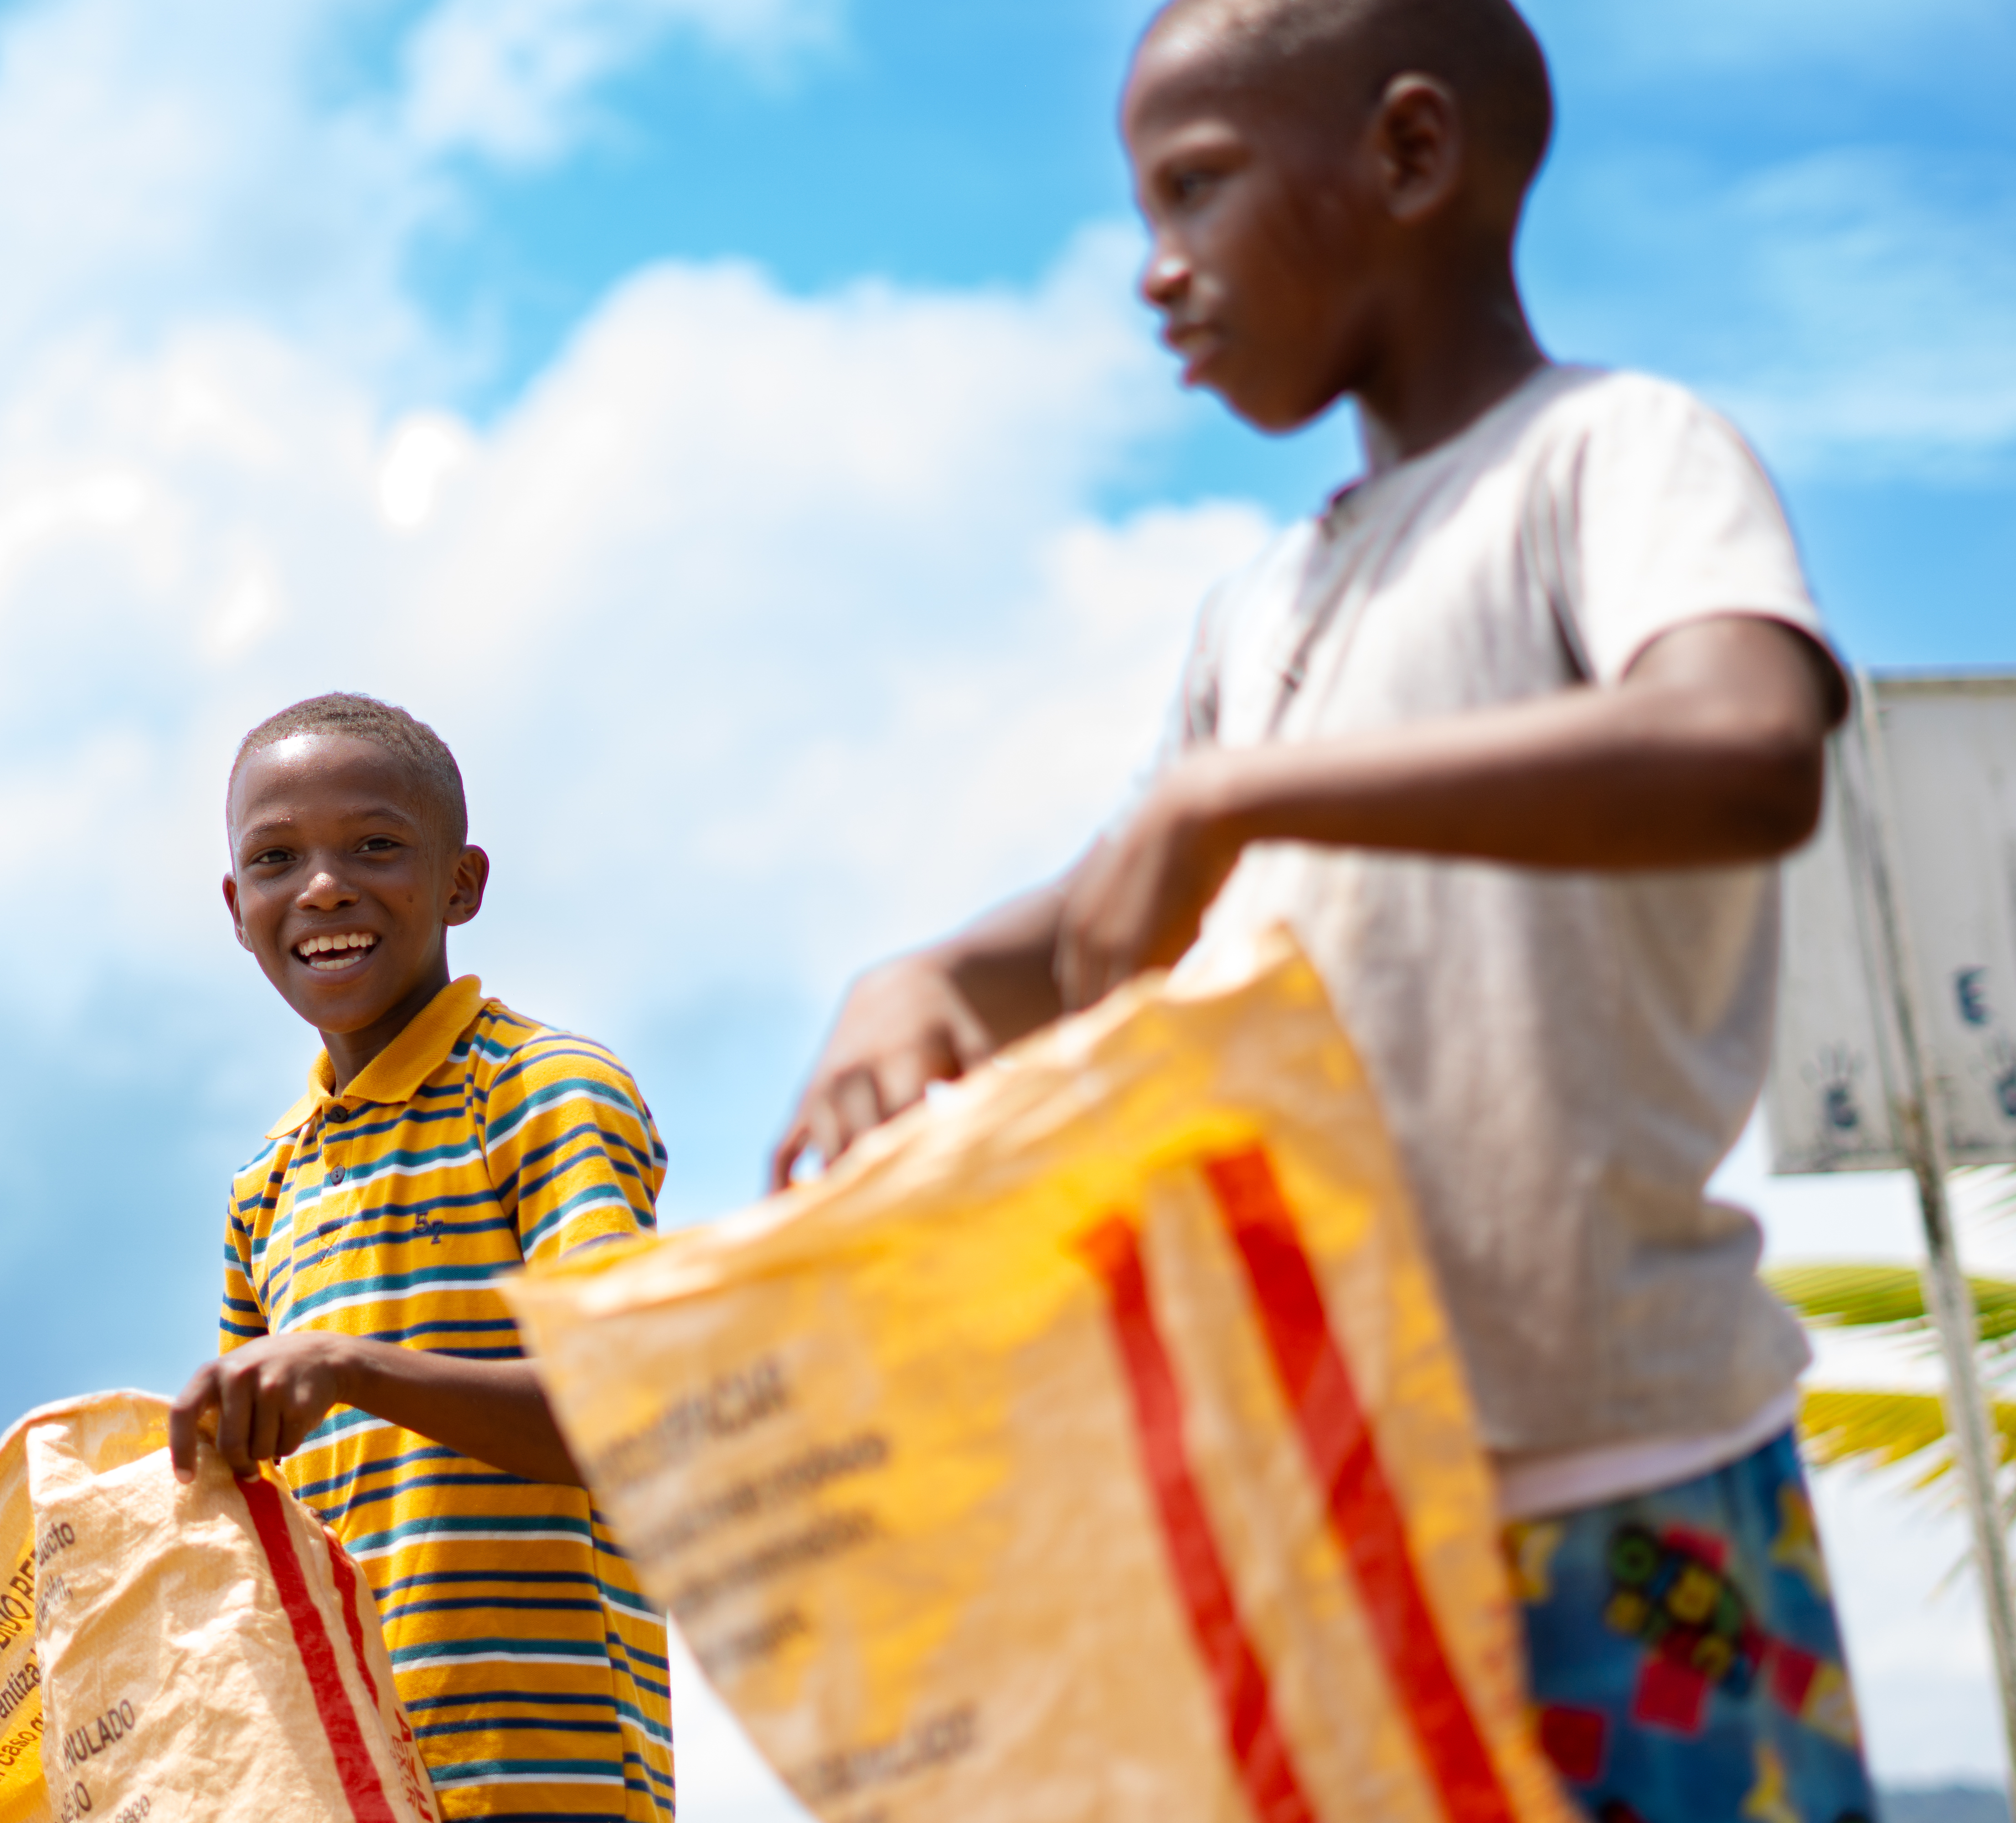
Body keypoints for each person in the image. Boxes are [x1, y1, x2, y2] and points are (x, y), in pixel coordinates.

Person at [771, 2, 1873, 1818]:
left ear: (1413, 157)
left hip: (1621, 1480)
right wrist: (926, 976)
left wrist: (1237, 790)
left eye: (1192, 191)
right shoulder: (1264, 605)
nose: (1153, 273)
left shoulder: (1614, 457)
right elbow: (1130, 903)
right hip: (1326, 1518)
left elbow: (1745, 745)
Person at [171, 693, 673, 1823]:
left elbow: (628, 1413)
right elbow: (254, 1535)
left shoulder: (541, 1091)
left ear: (463, 883)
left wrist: (353, 1368)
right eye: (275, 857)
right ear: (235, 906)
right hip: (348, 1789)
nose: (325, 887)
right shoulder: (270, 1184)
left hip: (551, 1778)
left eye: (376, 846)